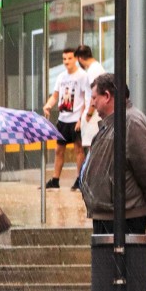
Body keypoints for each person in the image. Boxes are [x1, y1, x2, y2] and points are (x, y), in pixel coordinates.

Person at [81, 73, 146, 291]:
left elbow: (145, 165)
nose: (92, 103)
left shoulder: (131, 121)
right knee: (112, 278)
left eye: (94, 97)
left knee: (129, 277)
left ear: (108, 96)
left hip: (126, 212)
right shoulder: (110, 124)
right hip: (108, 211)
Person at [42, 48, 90, 191]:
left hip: (76, 118)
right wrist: (48, 105)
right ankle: (55, 179)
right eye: (64, 59)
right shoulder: (61, 77)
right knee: (59, 149)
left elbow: (86, 98)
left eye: (69, 58)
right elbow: (55, 95)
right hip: (63, 118)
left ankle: (79, 179)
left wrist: (81, 119)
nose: (66, 62)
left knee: (78, 149)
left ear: (75, 59)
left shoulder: (82, 76)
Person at [74, 44, 106, 150]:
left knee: (93, 147)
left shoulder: (93, 70)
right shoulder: (97, 68)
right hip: (94, 112)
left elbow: (95, 94)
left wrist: (89, 113)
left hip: (93, 114)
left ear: (80, 58)